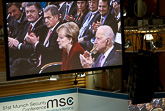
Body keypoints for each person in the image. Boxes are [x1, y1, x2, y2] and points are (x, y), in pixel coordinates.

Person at [9, 2, 47, 76]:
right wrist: (12, 42)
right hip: (23, 53)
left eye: (32, 11)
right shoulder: (27, 24)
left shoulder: (42, 26)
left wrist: (18, 45)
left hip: (33, 58)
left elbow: (34, 48)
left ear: (39, 11)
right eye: (27, 12)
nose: (29, 14)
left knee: (17, 62)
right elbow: (19, 39)